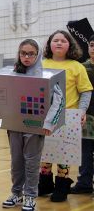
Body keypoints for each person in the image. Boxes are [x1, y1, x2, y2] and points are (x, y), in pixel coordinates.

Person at [2, 39, 62, 211]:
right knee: (16, 162)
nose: (26, 57)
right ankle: (16, 193)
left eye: (31, 53)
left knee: (32, 162)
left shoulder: (45, 75)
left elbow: (58, 100)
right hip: (15, 126)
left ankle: (30, 196)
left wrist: (49, 123)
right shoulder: (13, 73)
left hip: (35, 127)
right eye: (23, 53)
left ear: (38, 54)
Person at [38, 30, 93, 202]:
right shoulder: (41, 64)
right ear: (50, 44)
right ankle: (45, 184)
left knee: (64, 154)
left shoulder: (77, 67)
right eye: (56, 40)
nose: (59, 43)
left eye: (63, 40)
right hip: (44, 116)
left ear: (70, 44)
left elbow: (85, 91)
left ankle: (61, 186)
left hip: (68, 115)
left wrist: (82, 111)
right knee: (44, 153)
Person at [70, 34, 94, 195]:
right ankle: (84, 183)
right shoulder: (82, 67)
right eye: (92, 45)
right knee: (85, 151)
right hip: (88, 116)